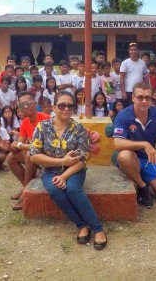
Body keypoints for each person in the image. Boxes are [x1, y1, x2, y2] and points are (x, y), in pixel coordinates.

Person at [29, 91, 107, 250]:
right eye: (61, 105)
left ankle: (98, 228)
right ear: (54, 107)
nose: (66, 108)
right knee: (54, 190)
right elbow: (34, 156)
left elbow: (82, 159)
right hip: (50, 171)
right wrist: (61, 161)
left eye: (70, 105)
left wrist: (64, 175)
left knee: (72, 189)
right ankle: (82, 225)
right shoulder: (42, 127)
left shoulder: (78, 129)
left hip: (74, 170)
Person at [114, 82, 156, 208]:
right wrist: (144, 144)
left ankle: (140, 177)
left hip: (149, 159)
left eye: (147, 98)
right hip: (132, 158)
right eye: (140, 97)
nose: (144, 101)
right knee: (124, 156)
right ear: (133, 98)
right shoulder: (123, 115)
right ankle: (142, 187)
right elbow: (117, 143)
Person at [5, 91, 51, 210]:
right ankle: (26, 188)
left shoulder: (46, 119)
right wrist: (8, 147)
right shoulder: (25, 122)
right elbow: (18, 145)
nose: (25, 107)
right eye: (22, 105)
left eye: (28, 103)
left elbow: (43, 147)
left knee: (30, 154)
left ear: (35, 103)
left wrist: (19, 145)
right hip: (35, 153)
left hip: (49, 156)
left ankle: (25, 194)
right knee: (10, 157)